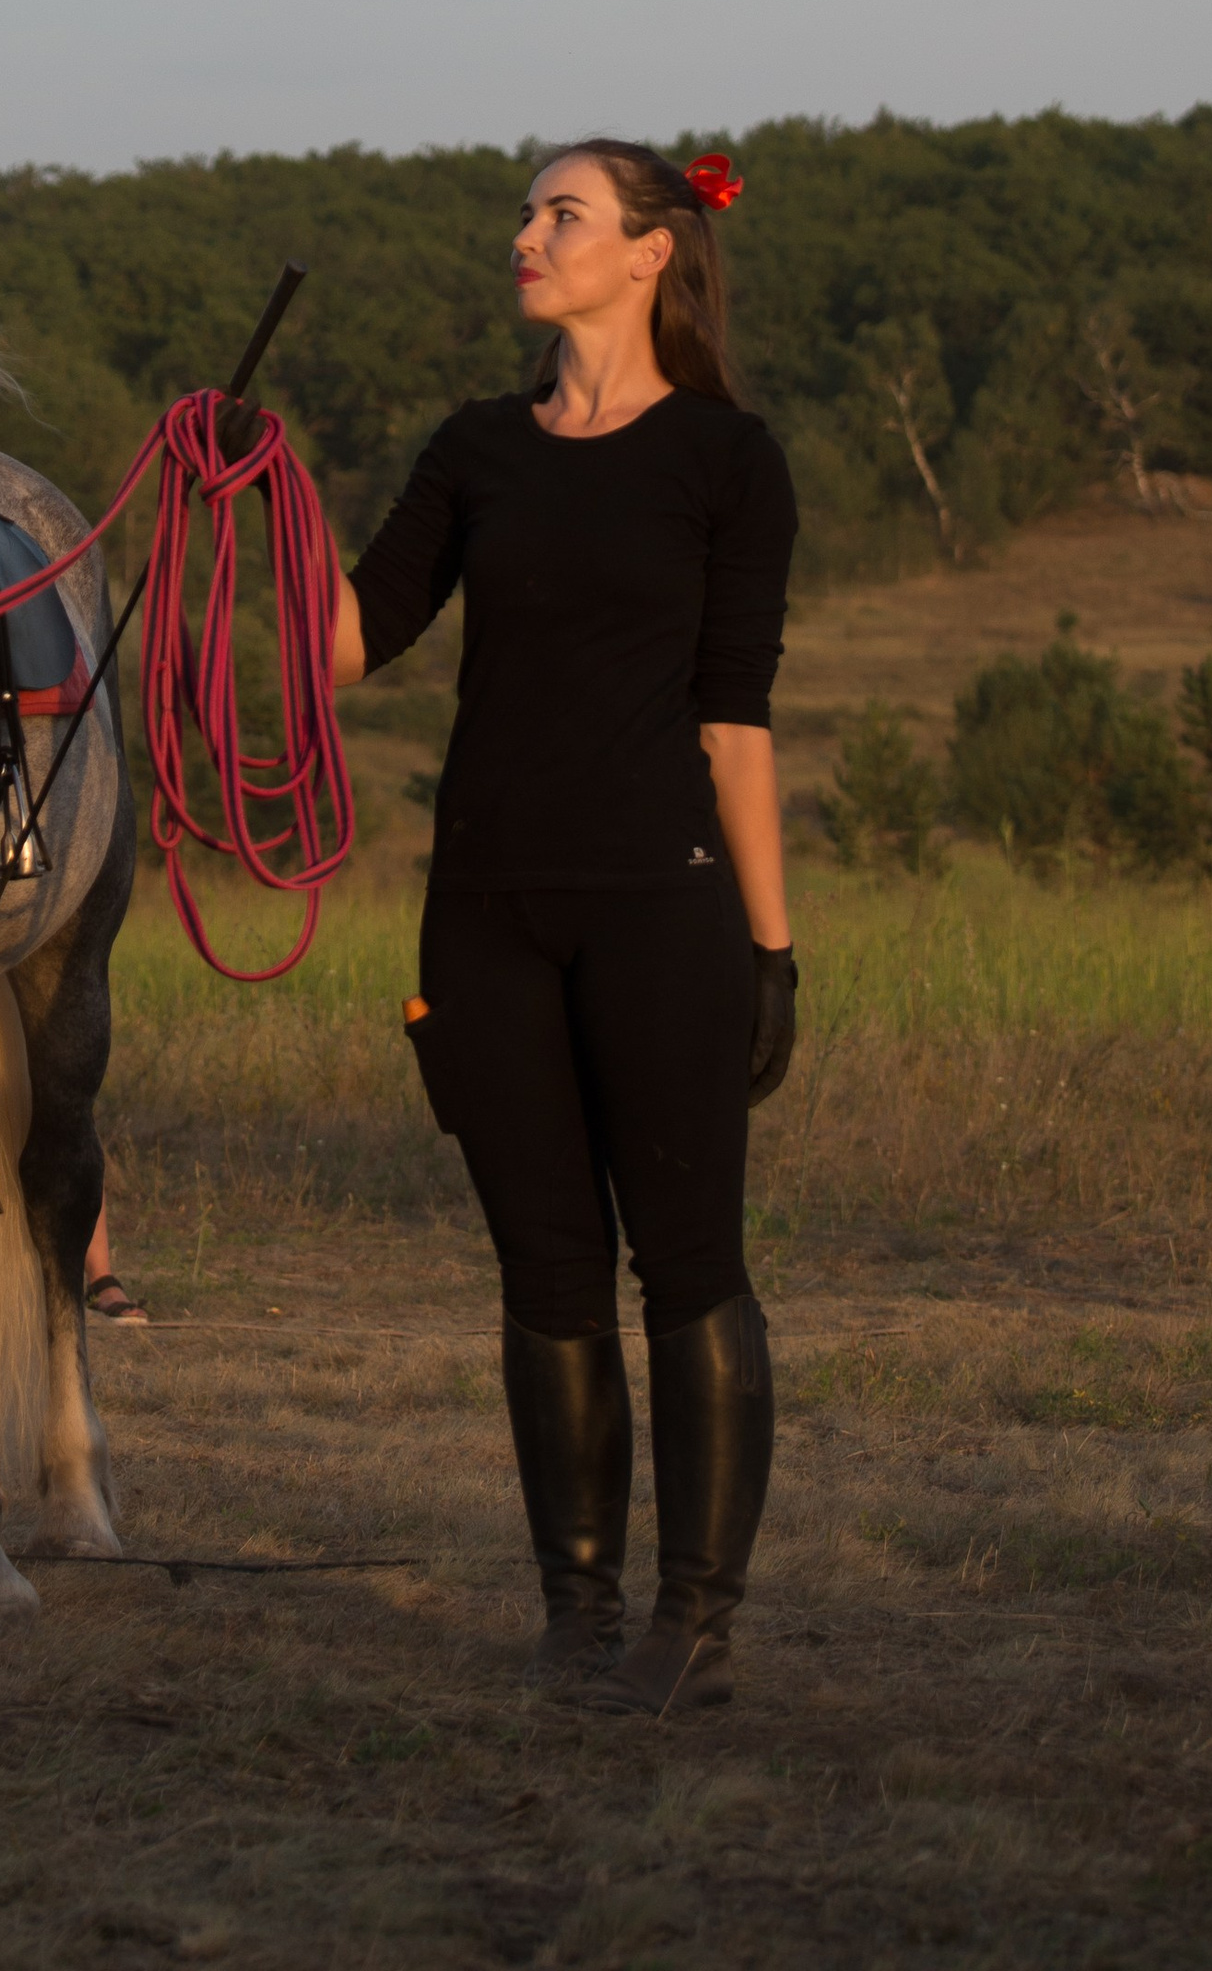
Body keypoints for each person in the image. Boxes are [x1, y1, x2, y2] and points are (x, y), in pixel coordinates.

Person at [331, 143, 800, 1717]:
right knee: (545, 1276)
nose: (524, 236)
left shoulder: (729, 461)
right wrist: (243, 505)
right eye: (530, 212)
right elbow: (349, 641)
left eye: (561, 215)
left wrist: (771, 948)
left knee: (686, 1266)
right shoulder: (477, 448)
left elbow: (735, 722)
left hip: (664, 911)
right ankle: (578, 1618)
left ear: (652, 253)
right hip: (484, 920)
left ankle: (699, 1627)